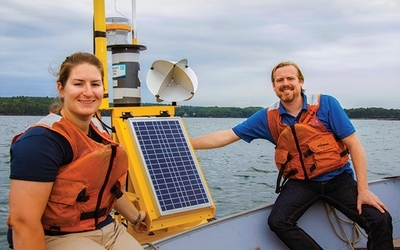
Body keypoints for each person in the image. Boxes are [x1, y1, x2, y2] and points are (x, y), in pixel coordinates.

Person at [191, 61, 393, 249]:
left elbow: (355, 146)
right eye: (280, 80)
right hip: (301, 182)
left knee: (380, 219)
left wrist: (363, 189)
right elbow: (226, 136)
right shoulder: (267, 117)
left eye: (290, 79)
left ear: (300, 82)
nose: (285, 84)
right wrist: (188, 144)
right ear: (273, 86)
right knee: (278, 221)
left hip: (337, 178)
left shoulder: (327, 104)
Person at [7, 52, 147, 250]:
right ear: (61, 89)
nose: (88, 92)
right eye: (78, 84)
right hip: (59, 236)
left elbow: (107, 188)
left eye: (95, 84)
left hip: (106, 229)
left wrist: (135, 218)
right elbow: (23, 222)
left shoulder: (97, 136)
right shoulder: (41, 142)